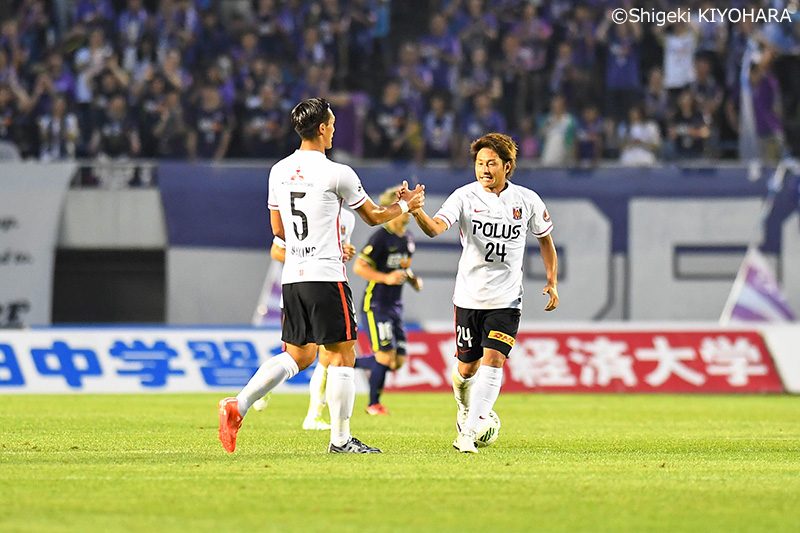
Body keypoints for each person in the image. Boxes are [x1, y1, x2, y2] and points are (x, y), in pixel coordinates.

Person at [218, 97, 425, 454]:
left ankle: (239, 404)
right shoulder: (338, 172)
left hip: (293, 277)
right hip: (326, 275)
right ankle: (341, 440)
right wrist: (407, 204)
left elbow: (277, 228)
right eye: (331, 124)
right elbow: (375, 216)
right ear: (323, 128)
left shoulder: (279, 171)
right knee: (342, 355)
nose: (333, 129)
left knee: (300, 356)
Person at [407, 132, 558, 453]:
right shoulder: (464, 197)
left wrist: (551, 279)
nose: (484, 169)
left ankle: (468, 433)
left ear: (508, 166)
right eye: (479, 163)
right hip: (468, 297)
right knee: (467, 369)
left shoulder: (527, 200)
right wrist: (415, 211)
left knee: (494, 360)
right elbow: (435, 229)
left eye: (491, 163)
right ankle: (465, 409)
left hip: (507, 299)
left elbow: (545, 239)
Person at [251, 207, 358, 432]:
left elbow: (340, 253)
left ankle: (314, 416)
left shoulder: (348, 218)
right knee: (297, 356)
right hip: (299, 289)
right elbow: (276, 251)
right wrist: (308, 257)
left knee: (328, 356)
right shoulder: (305, 208)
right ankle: (263, 387)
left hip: (328, 289)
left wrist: (344, 252)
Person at [353, 186, 423, 415]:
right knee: (384, 355)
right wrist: (386, 278)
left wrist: (412, 279)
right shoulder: (381, 237)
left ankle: (345, 361)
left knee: (396, 361)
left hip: (395, 306)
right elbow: (359, 267)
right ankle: (373, 404)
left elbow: (403, 268)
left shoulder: (408, 239)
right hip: (376, 304)